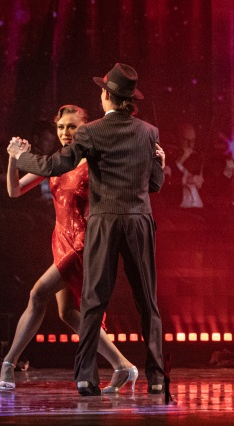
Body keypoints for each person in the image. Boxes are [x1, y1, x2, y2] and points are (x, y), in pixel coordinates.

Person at [9, 63, 167, 396]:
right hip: (137, 221)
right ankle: (154, 377)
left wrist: (21, 156)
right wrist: (159, 164)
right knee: (146, 302)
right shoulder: (148, 132)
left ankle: (85, 377)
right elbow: (153, 185)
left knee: (93, 302)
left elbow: (56, 164)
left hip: (102, 223)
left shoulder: (92, 132)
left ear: (107, 96)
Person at [2, 105, 136, 393]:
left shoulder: (94, 162)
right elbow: (14, 190)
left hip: (84, 244)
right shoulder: (55, 162)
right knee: (68, 313)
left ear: (85, 128)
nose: (65, 132)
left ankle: (8, 363)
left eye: (72, 126)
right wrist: (14, 158)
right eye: (61, 127)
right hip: (61, 242)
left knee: (37, 293)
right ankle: (123, 366)